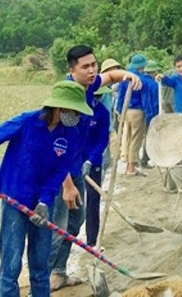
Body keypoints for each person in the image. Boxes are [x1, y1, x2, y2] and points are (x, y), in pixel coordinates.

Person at [0, 81, 92, 297]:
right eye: (75, 111)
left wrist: (44, 201)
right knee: (11, 264)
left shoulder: (71, 134)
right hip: (15, 198)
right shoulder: (26, 122)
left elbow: (60, 171)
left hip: (43, 204)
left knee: (40, 265)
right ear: (59, 108)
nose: (78, 116)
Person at [49, 45, 141, 292]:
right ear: (71, 70)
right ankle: (45, 277)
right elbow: (55, 146)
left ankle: (58, 271)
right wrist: (67, 184)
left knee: (75, 221)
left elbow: (111, 76)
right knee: (59, 222)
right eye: (85, 67)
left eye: (93, 65)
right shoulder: (66, 97)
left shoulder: (89, 88)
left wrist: (128, 76)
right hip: (61, 171)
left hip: (77, 166)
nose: (92, 71)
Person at [84, 85, 111, 247]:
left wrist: (90, 160)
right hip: (74, 162)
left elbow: (102, 141)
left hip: (93, 163)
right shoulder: (76, 110)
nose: (97, 99)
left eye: (99, 96)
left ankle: (92, 240)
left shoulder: (102, 113)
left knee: (93, 200)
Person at [116, 54, 148, 176]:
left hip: (126, 111)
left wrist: (119, 111)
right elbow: (145, 98)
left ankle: (128, 165)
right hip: (137, 111)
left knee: (128, 137)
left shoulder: (125, 78)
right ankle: (131, 167)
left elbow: (120, 96)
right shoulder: (142, 79)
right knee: (136, 139)